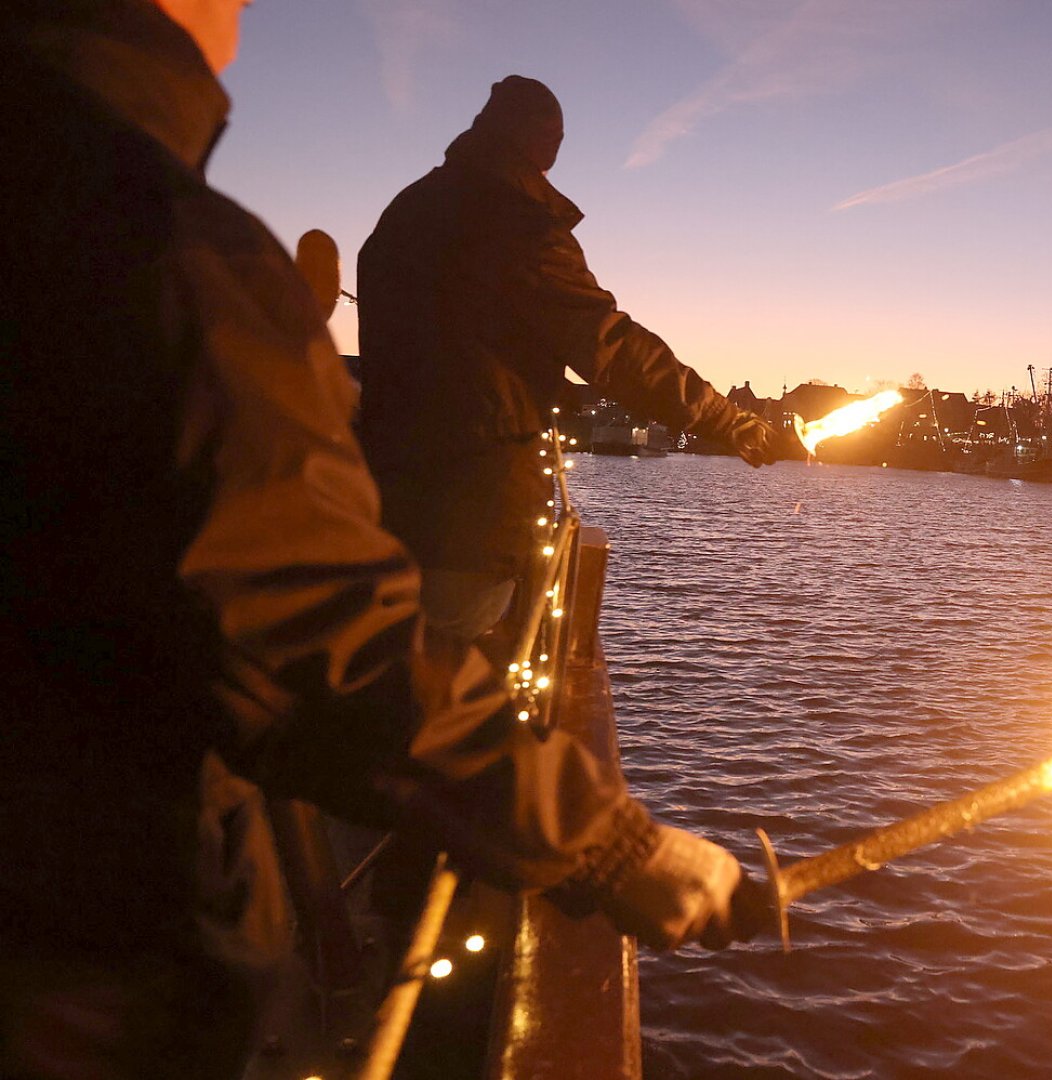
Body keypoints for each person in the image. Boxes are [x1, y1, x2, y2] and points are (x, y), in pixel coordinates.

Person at [0, 4, 754, 1077]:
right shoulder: (180, 251)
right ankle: (427, 952)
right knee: (437, 704)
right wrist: (616, 845)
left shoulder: (400, 218)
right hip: (102, 967)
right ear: (539, 150)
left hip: (393, 501)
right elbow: (331, 646)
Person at [357, 75, 801, 643]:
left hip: (388, 488)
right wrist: (730, 422)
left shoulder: (410, 209)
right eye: (556, 139)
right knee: (451, 676)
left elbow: (453, 341)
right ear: (541, 142)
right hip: (469, 501)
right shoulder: (518, 225)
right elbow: (610, 346)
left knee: (393, 664)